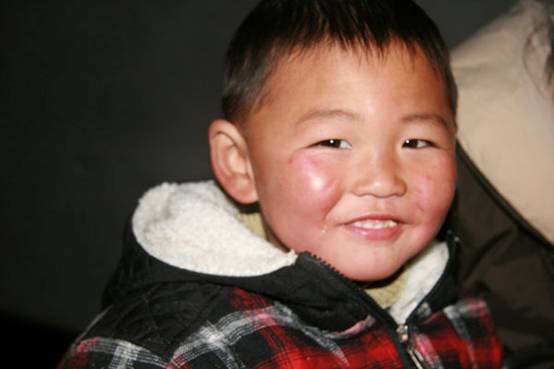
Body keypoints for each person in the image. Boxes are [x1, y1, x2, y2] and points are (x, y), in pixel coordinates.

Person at [57, 0, 503, 368]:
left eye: (417, 141)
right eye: (333, 141)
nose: (384, 181)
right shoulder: (165, 352)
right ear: (240, 164)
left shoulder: (464, 315)